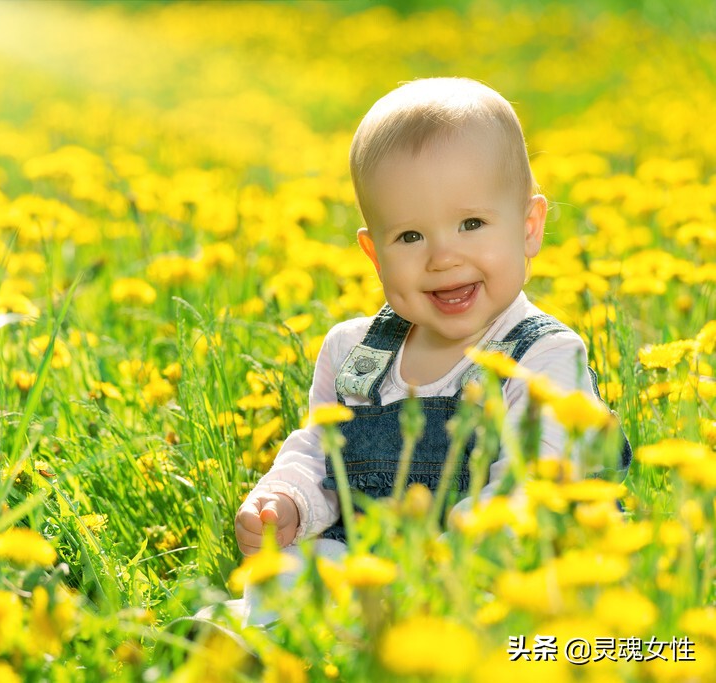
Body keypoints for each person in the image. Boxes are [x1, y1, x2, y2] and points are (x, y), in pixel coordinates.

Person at [233, 77, 631, 622]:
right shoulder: (355, 353)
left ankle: (316, 634)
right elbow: (320, 457)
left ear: (528, 227)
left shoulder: (544, 356)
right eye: (410, 237)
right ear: (374, 253)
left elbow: (528, 490)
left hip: (492, 576)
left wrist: (436, 574)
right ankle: (262, 636)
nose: (443, 256)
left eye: (471, 223)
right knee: (291, 569)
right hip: (377, 569)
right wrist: (285, 502)